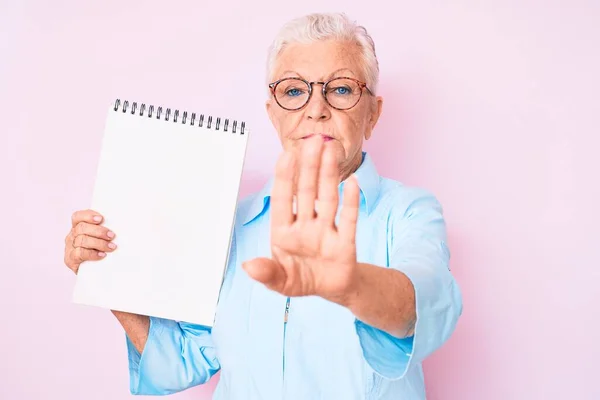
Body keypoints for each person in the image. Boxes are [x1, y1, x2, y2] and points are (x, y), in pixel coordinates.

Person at [63, 12, 462, 400]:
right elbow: (184, 360)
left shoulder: (410, 211)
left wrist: (347, 282)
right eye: (293, 90)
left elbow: (424, 306)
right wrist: (104, 273)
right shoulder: (230, 223)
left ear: (372, 114)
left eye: (341, 89)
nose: (316, 108)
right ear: (273, 115)